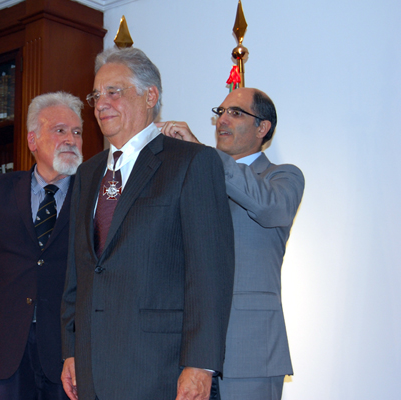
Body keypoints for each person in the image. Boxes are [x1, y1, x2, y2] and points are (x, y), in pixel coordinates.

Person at [60, 47, 235, 400]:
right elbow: (77, 272)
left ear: (150, 95)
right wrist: (71, 349)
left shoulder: (191, 162)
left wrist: (200, 364)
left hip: (162, 371)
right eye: (96, 95)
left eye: (114, 92)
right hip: (92, 370)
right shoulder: (88, 172)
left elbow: (209, 274)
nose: (101, 103)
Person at [158, 87, 305, 400]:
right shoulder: (194, 177)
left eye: (235, 113)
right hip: (187, 353)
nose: (222, 119)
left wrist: (205, 157)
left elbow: (269, 208)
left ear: (262, 127)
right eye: (220, 112)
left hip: (250, 352)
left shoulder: (282, 177)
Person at [0, 91, 85, 400]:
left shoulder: (93, 196)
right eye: (60, 130)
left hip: (69, 352)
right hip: (4, 348)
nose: (71, 139)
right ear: (32, 140)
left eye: (77, 132)